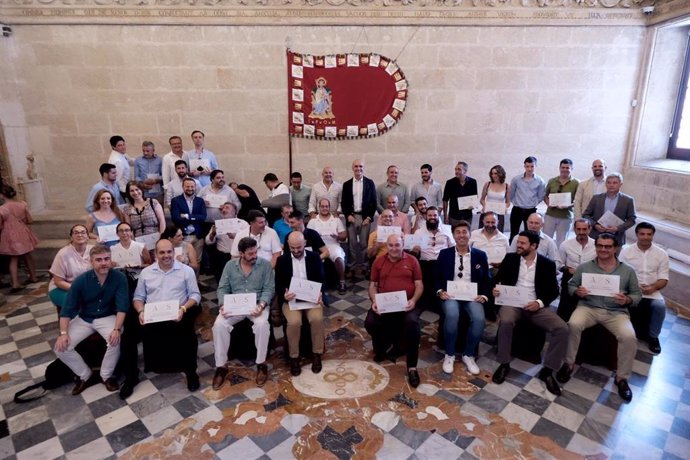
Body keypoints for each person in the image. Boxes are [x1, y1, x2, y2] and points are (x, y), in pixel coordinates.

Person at [559, 233, 642, 402]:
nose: (603, 249)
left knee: (629, 336)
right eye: (600, 246)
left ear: (616, 248)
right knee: (573, 324)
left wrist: (627, 299)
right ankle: (568, 364)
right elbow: (571, 286)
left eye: (608, 246)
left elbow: (637, 294)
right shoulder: (585, 267)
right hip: (588, 307)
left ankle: (622, 378)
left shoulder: (627, 270)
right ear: (595, 247)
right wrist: (577, 291)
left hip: (616, 312)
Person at [491, 230, 567, 396]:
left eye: (523, 243)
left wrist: (538, 303)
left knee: (562, 328)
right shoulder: (510, 259)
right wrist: (495, 289)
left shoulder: (547, 264)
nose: (518, 245)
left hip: (536, 305)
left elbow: (554, 291)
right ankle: (504, 363)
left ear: (534, 246)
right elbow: (496, 280)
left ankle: (548, 370)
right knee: (506, 321)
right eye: (518, 242)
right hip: (512, 303)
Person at [54, 245, 128, 395]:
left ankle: (106, 376)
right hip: (85, 318)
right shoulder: (81, 281)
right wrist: (63, 333)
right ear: (91, 262)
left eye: (106, 259)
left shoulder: (119, 278)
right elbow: (67, 310)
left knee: (115, 340)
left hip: (107, 316)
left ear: (111, 259)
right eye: (99, 260)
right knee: (60, 348)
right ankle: (85, 375)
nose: (103, 263)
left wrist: (116, 329)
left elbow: (122, 307)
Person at [133, 239, 202, 391]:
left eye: (169, 251)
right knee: (143, 329)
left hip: (179, 311)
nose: (166, 255)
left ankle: (191, 373)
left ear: (174, 252)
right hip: (154, 313)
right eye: (162, 252)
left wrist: (183, 309)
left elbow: (195, 295)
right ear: (155, 254)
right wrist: (141, 311)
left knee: (187, 334)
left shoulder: (186, 271)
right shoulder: (146, 273)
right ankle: (157, 365)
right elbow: (138, 297)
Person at [212, 237, 274, 389]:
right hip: (235, 305)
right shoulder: (229, 266)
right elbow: (222, 288)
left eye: (255, 252)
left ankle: (261, 364)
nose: (254, 256)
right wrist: (222, 305)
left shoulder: (265, 265)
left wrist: (261, 305)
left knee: (261, 325)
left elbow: (269, 289)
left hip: (257, 304)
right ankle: (221, 367)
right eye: (250, 254)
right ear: (241, 253)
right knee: (219, 325)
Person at [366, 234, 424, 387]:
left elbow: (419, 285)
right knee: (370, 322)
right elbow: (372, 285)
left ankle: (412, 367)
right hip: (385, 304)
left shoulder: (412, 261)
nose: (394, 248)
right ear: (387, 245)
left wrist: (414, 300)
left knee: (412, 324)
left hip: (407, 304)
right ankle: (383, 346)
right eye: (390, 245)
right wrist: (375, 301)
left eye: (397, 245)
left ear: (403, 244)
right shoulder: (378, 261)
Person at [435, 221, 492, 375]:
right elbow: (437, 277)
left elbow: (487, 279)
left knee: (479, 319)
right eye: (458, 232)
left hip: (472, 296)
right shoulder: (445, 254)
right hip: (451, 295)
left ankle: (469, 354)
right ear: (453, 235)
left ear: (469, 234)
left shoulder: (480, 255)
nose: (461, 235)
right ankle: (450, 354)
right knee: (452, 315)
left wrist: (485, 295)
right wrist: (440, 291)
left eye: (464, 232)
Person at [275, 232, 327, 376]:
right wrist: (284, 294)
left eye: (299, 247)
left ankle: (317, 353)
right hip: (291, 300)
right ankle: (294, 357)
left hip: (311, 298)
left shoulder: (314, 257)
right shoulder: (282, 260)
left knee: (316, 319)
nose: (296, 251)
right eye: (292, 248)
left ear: (304, 243)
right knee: (294, 322)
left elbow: (322, 280)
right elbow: (278, 285)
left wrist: (319, 293)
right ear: (288, 246)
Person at [110, 222, 151, 399]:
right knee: (128, 329)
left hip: (140, 285)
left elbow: (149, 264)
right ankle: (129, 374)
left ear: (131, 232)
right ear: (117, 233)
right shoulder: (113, 249)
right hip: (123, 287)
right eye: (121, 231)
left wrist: (138, 266)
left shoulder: (140, 247)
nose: (125, 233)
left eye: (127, 230)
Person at [619, 222, 669, 354]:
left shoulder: (661, 254)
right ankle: (623, 333)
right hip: (630, 290)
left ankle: (653, 337)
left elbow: (664, 279)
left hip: (652, 291)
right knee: (618, 301)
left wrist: (653, 287)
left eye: (649, 234)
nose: (645, 237)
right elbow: (620, 274)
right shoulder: (626, 251)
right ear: (637, 235)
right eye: (642, 234)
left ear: (653, 235)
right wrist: (633, 286)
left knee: (660, 306)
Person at [409, 206, 453, 311]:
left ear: (438, 216)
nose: (432, 217)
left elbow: (453, 246)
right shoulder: (419, 232)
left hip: (442, 263)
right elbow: (411, 250)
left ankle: (440, 302)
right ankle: (427, 302)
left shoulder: (446, 230)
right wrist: (415, 249)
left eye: (435, 215)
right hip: (425, 262)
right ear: (426, 217)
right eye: (430, 215)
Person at [341, 159, 377, 277]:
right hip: (352, 216)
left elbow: (373, 202)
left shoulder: (369, 183)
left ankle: (365, 267)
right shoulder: (346, 184)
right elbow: (344, 203)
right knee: (352, 243)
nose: (358, 168)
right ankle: (352, 267)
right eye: (356, 166)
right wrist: (348, 215)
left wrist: (369, 217)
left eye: (360, 166)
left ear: (363, 168)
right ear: (353, 168)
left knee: (363, 243)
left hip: (364, 217)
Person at [0, 185, 39, 292]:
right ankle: (33, 276)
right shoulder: (22, 205)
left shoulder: (3, 209)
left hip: (10, 235)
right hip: (23, 232)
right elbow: (29, 220)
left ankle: (15, 283)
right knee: (28, 255)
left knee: (14, 258)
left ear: (2, 195)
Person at [557, 218, 596, 320]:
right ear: (574, 229)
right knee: (565, 309)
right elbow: (559, 264)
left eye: (584, 229)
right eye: (578, 229)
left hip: (590, 277)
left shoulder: (596, 245)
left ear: (589, 229)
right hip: (571, 275)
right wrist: (567, 268)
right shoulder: (565, 245)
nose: (581, 232)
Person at [582, 172, 636, 245]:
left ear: (620, 184)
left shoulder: (628, 200)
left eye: (614, 183)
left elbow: (632, 219)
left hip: (616, 238)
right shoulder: (596, 198)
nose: (611, 185)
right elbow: (586, 215)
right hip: (596, 236)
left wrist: (618, 228)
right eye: (609, 182)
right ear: (606, 184)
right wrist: (595, 225)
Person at [48, 224, 94, 311]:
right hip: (63, 289)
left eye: (83, 232)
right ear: (71, 237)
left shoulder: (94, 250)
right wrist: (79, 290)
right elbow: (58, 282)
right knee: (79, 304)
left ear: (88, 237)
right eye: (76, 233)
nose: (79, 235)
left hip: (86, 288)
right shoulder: (63, 254)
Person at [308, 198, 348, 294]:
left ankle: (342, 282)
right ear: (319, 207)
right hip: (318, 247)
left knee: (339, 257)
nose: (324, 208)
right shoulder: (313, 221)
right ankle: (315, 285)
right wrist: (316, 237)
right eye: (322, 206)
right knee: (311, 257)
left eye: (326, 206)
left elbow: (344, 236)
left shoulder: (336, 220)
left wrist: (337, 236)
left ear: (329, 207)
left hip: (333, 245)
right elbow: (307, 236)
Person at [205, 202, 248, 283]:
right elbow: (208, 242)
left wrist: (235, 236)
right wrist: (213, 234)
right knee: (222, 279)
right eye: (223, 208)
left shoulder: (243, 223)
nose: (224, 210)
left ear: (235, 212)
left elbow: (249, 239)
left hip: (238, 256)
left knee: (238, 279)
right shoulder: (217, 224)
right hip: (222, 256)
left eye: (227, 208)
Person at [508, 156, 545, 243]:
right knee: (513, 232)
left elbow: (540, 196)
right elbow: (511, 193)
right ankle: (512, 252)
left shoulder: (540, 181)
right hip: (517, 209)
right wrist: (515, 202)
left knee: (529, 233)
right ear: (524, 166)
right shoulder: (516, 179)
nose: (529, 169)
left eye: (532, 166)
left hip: (530, 210)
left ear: (535, 166)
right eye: (527, 166)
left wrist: (532, 203)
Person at [170, 177, 207, 264]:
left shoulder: (200, 201)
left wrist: (187, 216)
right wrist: (195, 218)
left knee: (197, 261)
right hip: (183, 236)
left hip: (198, 235)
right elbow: (175, 218)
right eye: (187, 186)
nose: (190, 189)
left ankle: (195, 278)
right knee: (184, 260)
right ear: (183, 187)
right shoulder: (175, 201)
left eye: (192, 186)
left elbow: (203, 217)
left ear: (195, 187)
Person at [543, 159, 579, 247]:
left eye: (567, 168)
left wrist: (568, 205)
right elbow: (545, 195)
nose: (565, 169)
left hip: (566, 216)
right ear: (559, 168)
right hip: (550, 214)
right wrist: (549, 204)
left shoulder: (576, 183)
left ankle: (559, 259)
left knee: (562, 242)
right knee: (546, 239)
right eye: (563, 167)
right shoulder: (552, 181)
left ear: (572, 169)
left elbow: (578, 200)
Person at [443, 161, 478, 227]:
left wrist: (472, 205)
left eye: (459, 169)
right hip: (454, 216)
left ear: (465, 171)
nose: (456, 171)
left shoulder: (473, 182)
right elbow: (445, 200)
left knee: (466, 234)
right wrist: (445, 217)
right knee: (453, 235)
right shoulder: (450, 183)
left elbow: (474, 198)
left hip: (467, 216)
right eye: (455, 169)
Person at [479, 165, 510, 232]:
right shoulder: (487, 184)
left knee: (498, 233)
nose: (493, 175)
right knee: (483, 232)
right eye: (492, 174)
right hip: (487, 212)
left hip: (499, 214)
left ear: (501, 174)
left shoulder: (506, 186)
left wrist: (505, 207)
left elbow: (508, 202)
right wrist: (484, 206)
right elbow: (482, 199)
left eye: (495, 173)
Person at [134, 140, 164, 205]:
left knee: (160, 212)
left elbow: (164, 176)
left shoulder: (160, 160)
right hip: (144, 193)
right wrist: (142, 184)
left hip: (158, 193)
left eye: (147, 151)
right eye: (143, 151)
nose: (145, 153)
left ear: (153, 150)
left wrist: (155, 180)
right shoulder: (138, 160)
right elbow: (136, 176)